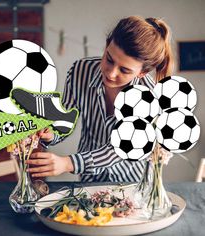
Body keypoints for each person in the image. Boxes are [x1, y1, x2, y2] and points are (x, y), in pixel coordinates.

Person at [26, 16, 174, 182]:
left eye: (124, 70)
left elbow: (119, 149)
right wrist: (51, 134)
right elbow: (66, 118)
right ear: (106, 45)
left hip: (132, 182)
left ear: (142, 73)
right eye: (109, 59)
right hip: (89, 179)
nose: (111, 73)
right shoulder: (80, 71)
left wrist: (68, 163)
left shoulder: (150, 96)